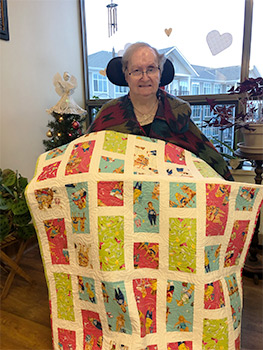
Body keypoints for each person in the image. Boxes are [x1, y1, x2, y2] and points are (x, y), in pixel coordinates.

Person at [87, 42, 233, 181]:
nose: (145, 77)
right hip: (121, 196)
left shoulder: (176, 112)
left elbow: (207, 156)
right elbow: (85, 153)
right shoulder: (110, 113)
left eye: (151, 69)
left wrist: (230, 188)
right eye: (137, 70)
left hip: (172, 198)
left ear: (160, 73)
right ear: (126, 75)